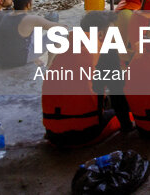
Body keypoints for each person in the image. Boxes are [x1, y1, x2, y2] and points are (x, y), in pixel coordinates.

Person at [42, 11, 127, 147]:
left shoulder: (66, 47)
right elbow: (118, 93)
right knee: (127, 108)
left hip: (53, 133)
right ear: (100, 34)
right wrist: (127, 126)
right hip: (84, 134)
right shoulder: (106, 51)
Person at [0, 0, 64, 67]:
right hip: (18, 60)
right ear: (28, 5)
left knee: (33, 28)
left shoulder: (6, 16)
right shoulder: (31, 19)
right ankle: (50, 65)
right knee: (59, 33)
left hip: (1, 59)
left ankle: (35, 58)